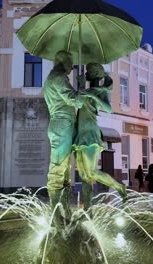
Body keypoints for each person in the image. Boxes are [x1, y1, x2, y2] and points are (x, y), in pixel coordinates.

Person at [43, 50, 97, 214]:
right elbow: (76, 101)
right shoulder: (58, 78)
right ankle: (57, 216)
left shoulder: (54, 78)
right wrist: (81, 87)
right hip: (62, 125)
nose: (72, 67)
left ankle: (63, 211)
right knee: (58, 168)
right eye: (70, 63)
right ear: (63, 62)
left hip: (62, 125)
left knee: (64, 170)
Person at [73, 62, 127, 210]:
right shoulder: (87, 89)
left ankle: (119, 187)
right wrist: (81, 88)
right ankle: (87, 208)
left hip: (90, 134)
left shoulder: (100, 91)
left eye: (88, 71)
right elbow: (77, 105)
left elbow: (108, 108)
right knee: (84, 175)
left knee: (91, 172)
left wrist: (91, 94)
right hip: (80, 133)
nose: (86, 74)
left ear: (95, 74)